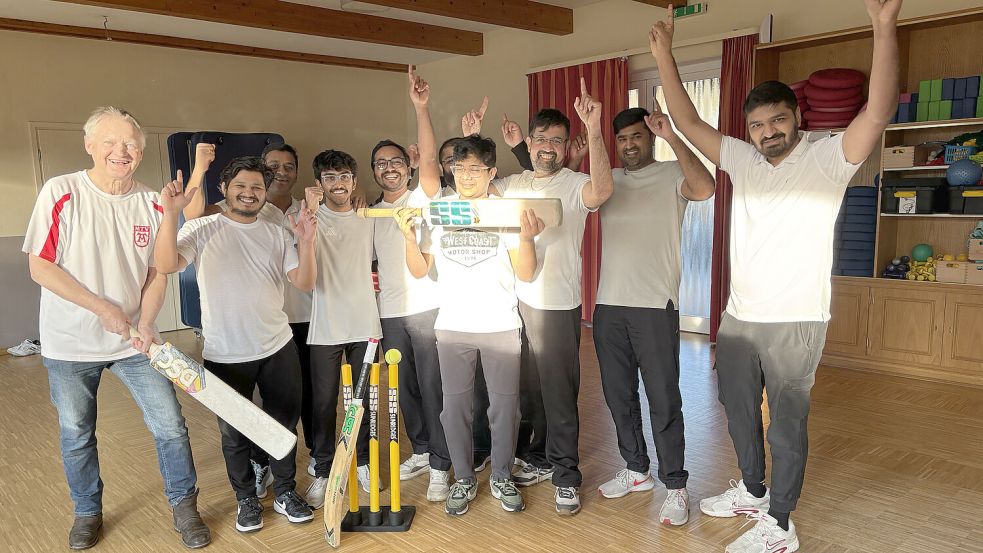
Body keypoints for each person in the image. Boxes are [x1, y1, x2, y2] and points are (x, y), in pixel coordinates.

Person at [649, 1, 901, 550]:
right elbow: (689, 123)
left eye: (778, 120)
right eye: (757, 124)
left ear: (798, 120)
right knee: (737, 410)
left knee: (786, 424)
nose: (767, 132)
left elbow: (877, 113)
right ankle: (755, 490)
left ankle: (781, 524)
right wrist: (665, 55)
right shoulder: (742, 159)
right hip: (741, 316)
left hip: (796, 319)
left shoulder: (830, 158)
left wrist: (883, 27)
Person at [23, 106, 210, 550]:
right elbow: (40, 267)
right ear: (90, 146)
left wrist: (146, 323)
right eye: (109, 141)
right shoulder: (61, 191)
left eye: (129, 144)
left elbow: (157, 274)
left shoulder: (152, 203)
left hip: (135, 344)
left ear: (141, 153)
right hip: (69, 345)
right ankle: (87, 512)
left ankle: (185, 506)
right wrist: (101, 307)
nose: (120, 151)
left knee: (170, 425)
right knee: (77, 433)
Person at [155, 155, 318, 533]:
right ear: (224, 189)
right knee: (234, 432)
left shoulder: (277, 231)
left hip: (277, 346)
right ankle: (246, 498)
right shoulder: (201, 228)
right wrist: (170, 214)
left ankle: (285, 491)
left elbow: (305, 282)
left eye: (257, 187)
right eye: (241, 187)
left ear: (265, 193)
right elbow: (166, 264)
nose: (249, 194)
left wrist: (306, 242)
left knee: (282, 425)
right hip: (225, 353)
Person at [394, 134, 545, 516]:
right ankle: (463, 478)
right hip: (453, 326)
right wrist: (409, 239)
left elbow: (526, 273)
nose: (466, 176)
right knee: (455, 407)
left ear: (491, 171)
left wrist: (525, 238)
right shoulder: (440, 211)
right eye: (459, 168)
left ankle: (502, 476)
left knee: (505, 408)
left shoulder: (505, 211)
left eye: (475, 169)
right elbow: (420, 270)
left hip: (500, 325)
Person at [492, 79, 615, 516]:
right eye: (541, 138)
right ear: (529, 142)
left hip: (557, 304)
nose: (549, 146)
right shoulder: (511, 183)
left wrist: (595, 130)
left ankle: (566, 475)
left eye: (558, 141)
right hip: (511, 302)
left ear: (567, 147)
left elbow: (602, 191)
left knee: (559, 393)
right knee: (527, 390)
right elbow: (475, 192)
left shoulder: (576, 183)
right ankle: (538, 456)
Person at [592, 107, 715, 527]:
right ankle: (636, 469)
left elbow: (706, 188)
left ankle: (676, 486)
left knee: (663, 400)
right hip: (608, 305)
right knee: (618, 396)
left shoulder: (670, 175)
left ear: (651, 137)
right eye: (623, 138)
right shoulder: (606, 180)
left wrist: (675, 136)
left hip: (655, 306)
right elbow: (557, 188)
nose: (629, 144)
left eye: (638, 136)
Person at [370, 67, 452, 502]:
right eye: (381, 164)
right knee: (404, 389)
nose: (389, 168)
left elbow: (434, 164)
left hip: (426, 309)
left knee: (434, 386)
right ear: (375, 172)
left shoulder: (421, 197)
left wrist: (422, 108)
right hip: (389, 315)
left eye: (396, 161)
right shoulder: (370, 212)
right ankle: (420, 449)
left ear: (409, 164)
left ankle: (441, 463)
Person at [302, 149, 382, 508]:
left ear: (354, 181)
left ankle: (362, 462)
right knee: (322, 403)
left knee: (362, 402)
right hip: (325, 327)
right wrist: (308, 206)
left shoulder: (368, 215)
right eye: (330, 178)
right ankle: (322, 469)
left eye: (345, 177)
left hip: (365, 323)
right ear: (319, 183)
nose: (339, 184)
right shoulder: (309, 218)